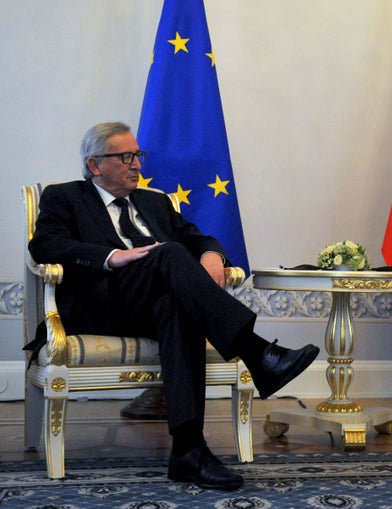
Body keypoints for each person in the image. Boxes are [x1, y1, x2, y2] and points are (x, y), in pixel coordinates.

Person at [28, 121, 320, 491]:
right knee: (168, 254)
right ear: (94, 165)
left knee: (177, 308)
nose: (136, 164)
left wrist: (213, 254)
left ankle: (188, 450)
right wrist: (112, 256)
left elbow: (199, 239)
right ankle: (256, 351)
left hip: (151, 305)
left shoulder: (154, 202)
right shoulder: (65, 197)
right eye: (125, 157)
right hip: (99, 303)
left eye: (138, 155)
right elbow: (45, 247)